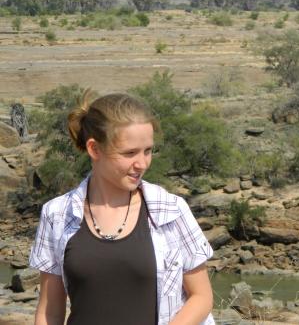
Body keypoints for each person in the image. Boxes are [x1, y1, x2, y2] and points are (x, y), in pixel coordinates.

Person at [29, 90, 214, 325]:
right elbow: (50, 310)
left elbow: (201, 296)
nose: (142, 163)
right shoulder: (56, 213)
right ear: (94, 149)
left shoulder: (172, 210)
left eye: (148, 151)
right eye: (129, 153)